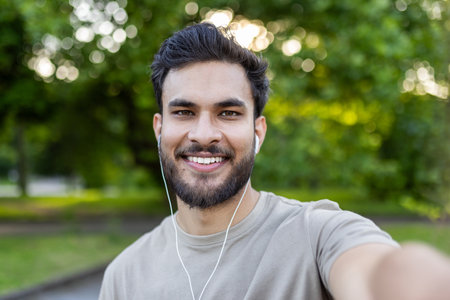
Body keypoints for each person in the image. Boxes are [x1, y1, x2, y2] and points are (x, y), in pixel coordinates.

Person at [99, 23, 450, 300]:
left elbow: (377, 273)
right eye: (184, 112)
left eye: (228, 112)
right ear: (159, 128)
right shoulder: (124, 275)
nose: (204, 134)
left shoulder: (317, 236)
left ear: (258, 132)